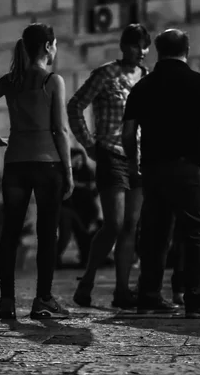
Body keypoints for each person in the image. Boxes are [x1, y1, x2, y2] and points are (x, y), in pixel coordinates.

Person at [0, 23, 74, 320]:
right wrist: (69, 171)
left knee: (10, 233)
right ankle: (42, 298)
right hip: (48, 164)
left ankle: (6, 300)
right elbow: (61, 130)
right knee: (46, 233)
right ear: (49, 46)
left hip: (15, 164)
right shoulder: (53, 80)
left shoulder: (10, 80)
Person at [122, 28, 200, 318]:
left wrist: (133, 163)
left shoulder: (143, 86)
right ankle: (196, 300)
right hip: (185, 167)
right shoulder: (196, 82)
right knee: (194, 232)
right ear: (186, 49)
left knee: (154, 234)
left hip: (153, 169)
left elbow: (128, 133)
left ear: (157, 50)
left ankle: (149, 295)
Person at [68, 24, 150, 309]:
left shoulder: (147, 76)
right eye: (135, 46)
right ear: (123, 46)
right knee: (113, 224)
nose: (140, 52)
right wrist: (89, 143)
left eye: (144, 46)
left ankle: (122, 291)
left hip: (138, 158)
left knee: (131, 225)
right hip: (111, 154)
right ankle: (87, 280)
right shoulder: (105, 74)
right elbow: (75, 105)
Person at [56, 148, 100, 269]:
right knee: (66, 236)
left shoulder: (87, 171)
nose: (79, 162)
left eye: (81, 159)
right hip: (69, 208)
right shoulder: (65, 172)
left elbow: (94, 191)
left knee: (84, 236)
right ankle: (54, 259)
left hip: (85, 209)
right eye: (76, 159)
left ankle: (85, 259)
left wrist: (90, 187)